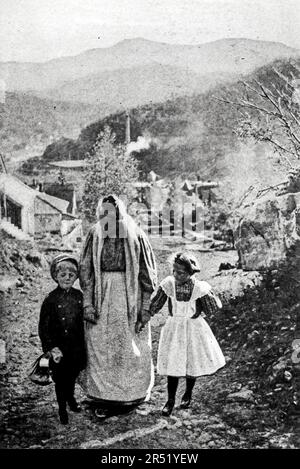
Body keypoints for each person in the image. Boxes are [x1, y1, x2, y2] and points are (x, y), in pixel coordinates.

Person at [79, 194, 157, 418]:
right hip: (101, 294)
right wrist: (87, 304)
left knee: (127, 343)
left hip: (127, 294)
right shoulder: (95, 234)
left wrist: (144, 307)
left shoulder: (134, 234)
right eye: (103, 213)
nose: (108, 217)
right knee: (100, 343)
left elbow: (146, 273)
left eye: (112, 213)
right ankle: (102, 394)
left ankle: (129, 395)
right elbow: (86, 271)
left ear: (120, 212)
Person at [136, 252, 225, 416]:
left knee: (193, 361)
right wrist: (144, 318)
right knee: (173, 364)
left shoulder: (199, 287)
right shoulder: (169, 284)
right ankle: (170, 401)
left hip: (193, 328)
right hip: (174, 328)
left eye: (181, 272)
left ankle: (188, 394)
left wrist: (205, 307)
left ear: (191, 273)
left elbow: (212, 308)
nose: (177, 275)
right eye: (174, 271)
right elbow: (155, 304)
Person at [38, 254, 86, 425]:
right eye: (63, 275)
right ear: (56, 276)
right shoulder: (50, 299)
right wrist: (51, 348)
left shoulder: (79, 296)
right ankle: (61, 409)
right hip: (59, 348)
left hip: (75, 347)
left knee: (72, 376)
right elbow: (43, 328)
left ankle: (71, 399)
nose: (67, 278)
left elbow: (84, 320)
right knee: (60, 379)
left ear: (75, 277)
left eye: (71, 275)